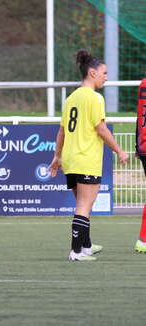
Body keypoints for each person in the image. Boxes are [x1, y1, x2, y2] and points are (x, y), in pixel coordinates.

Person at [49, 50, 129, 261]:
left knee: (84, 204)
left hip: (71, 159)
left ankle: (86, 245)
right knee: (84, 206)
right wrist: (119, 150)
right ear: (92, 73)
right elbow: (101, 129)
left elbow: (62, 131)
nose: (106, 77)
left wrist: (57, 157)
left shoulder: (71, 98)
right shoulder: (94, 98)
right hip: (86, 159)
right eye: (104, 73)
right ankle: (76, 252)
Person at [134, 78, 146, 252]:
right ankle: (143, 239)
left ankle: (143, 239)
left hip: (144, 144)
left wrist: (137, 146)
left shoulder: (143, 83)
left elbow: (139, 116)